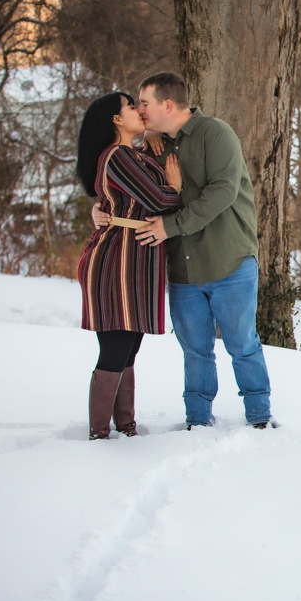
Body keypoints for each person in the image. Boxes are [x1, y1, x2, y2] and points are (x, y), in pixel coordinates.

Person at [96, 72, 273, 429]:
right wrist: (100, 208)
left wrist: (170, 226)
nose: (140, 110)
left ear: (167, 105)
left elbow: (222, 193)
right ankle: (197, 420)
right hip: (183, 268)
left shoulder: (216, 134)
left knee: (242, 345)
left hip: (229, 261)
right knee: (195, 351)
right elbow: (125, 185)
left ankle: (259, 417)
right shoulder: (152, 146)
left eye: (143, 104)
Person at [77, 92, 183, 440]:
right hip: (117, 260)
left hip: (138, 259)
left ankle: (126, 426)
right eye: (130, 106)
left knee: (129, 347)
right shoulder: (117, 155)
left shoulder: (133, 154)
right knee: (116, 346)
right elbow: (157, 198)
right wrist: (176, 190)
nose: (139, 110)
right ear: (116, 119)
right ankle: (99, 434)